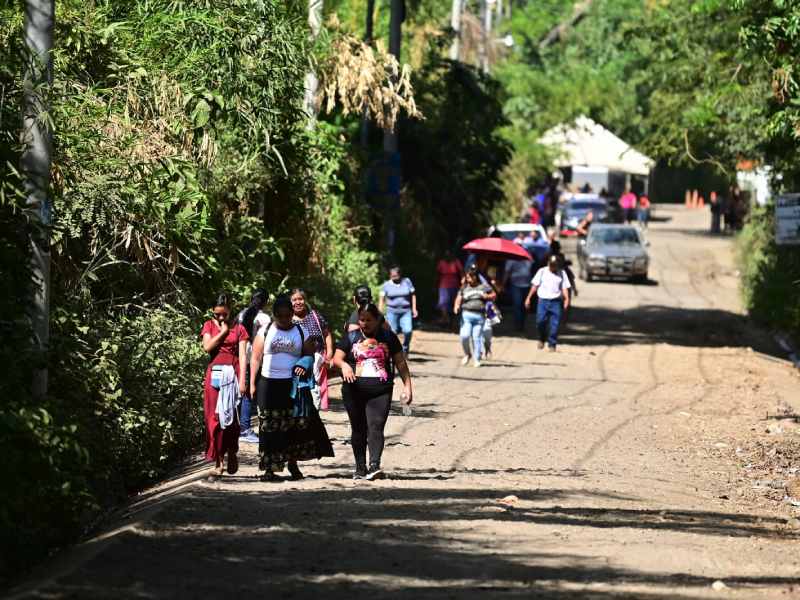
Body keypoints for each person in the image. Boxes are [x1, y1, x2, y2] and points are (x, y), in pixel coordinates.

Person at [249, 295, 327, 482]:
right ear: (274, 315)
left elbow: (310, 355)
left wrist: (303, 363)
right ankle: (270, 468)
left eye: (287, 316)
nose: (284, 320)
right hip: (269, 385)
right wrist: (251, 383)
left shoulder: (301, 332)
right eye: (280, 316)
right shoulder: (265, 332)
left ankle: (293, 464)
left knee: (293, 426)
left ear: (292, 314)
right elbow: (256, 358)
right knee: (269, 427)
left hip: (293, 386)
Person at [333, 303, 413, 480]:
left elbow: (400, 362)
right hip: (354, 390)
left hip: (381, 391)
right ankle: (360, 467)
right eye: (362, 319)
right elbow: (336, 359)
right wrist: (344, 365)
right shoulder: (351, 337)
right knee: (358, 428)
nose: (365, 323)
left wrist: (407, 386)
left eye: (369, 320)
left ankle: (374, 466)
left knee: (376, 426)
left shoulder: (389, 338)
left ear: (378, 320)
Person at [200, 293, 249, 480]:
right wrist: (222, 331)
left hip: (233, 374)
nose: (221, 318)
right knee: (215, 418)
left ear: (230, 311)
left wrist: (242, 380)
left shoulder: (241, 329)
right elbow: (207, 347)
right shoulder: (209, 326)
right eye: (217, 314)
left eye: (225, 314)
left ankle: (231, 451)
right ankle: (218, 462)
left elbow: (243, 355)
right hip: (214, 377)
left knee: (231, 418)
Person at [236, 288, 271, 444]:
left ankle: (239, 427)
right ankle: (245, 429)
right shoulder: (264, 318)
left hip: (239, 357)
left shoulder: (240, 314)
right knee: (250, 393)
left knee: (241, 392)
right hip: (255, 360)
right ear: (266, 302)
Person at [290, 289, 333, 411]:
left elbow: (327, 333)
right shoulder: (287, 320)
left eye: (300, 299)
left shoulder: (314, 316)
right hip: (295, 360)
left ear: (305, 300)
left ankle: (314, 412)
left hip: (316, 359)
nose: (298, 302)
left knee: (314, 387)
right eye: (294, 300)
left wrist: (329, 353)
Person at [524, 255, 571, 352]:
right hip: (543, 301)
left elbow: (564, 287)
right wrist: (528, 298)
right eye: (552, 265)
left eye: (555, 266)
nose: (553, 267)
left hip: (556, 302)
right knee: (540, 322)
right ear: (548, 263)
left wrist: (566, 299)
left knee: (555, 325)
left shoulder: (562, 273)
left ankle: (552, 344)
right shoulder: (542, 271)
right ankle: (542, 337)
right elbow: (535, 286)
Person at [454, 267, 496, 367]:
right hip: (466, 315)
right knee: (464, 336)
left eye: (471, 277)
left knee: (477, 337)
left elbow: (494, 295)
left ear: (476, 277)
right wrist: (456, 306)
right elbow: (459, 297)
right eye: (468, 277)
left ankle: (477, 358)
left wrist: (487, 296)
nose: (469, 279)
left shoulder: (483, 286)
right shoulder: (464, 287)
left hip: (479, 316)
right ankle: (467, 354)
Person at [379, 266, 417, 355]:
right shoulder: (386, 285)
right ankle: (394, 351)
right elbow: (381, 298)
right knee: (393, 332)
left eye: (396, 276)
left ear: (400, 275)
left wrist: (414, 308)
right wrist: (380, 312)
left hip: (406, 311)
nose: (394, 277)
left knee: (408, 330)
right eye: (392, 276)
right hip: (392, 311)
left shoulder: (407, 282)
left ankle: (405, 348)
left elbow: (413, 295)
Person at [502, 257, 532, 332]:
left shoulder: (529, 259)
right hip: (515, 285)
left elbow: (532, 270)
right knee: (517, 305)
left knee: (524, 306)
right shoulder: (511, 259)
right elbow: (507, 272)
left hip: (527, 285)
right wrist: (503, 284)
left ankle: (522, 323)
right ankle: (519, 325)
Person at [435, 250, 464, 327]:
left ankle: (453, 321)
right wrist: (436, 284)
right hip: (443, 285)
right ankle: (445, 318)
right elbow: (437, 273)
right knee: (443, 302)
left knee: (453, 303)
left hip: (454, 284)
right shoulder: (441, 262)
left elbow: (461, 272)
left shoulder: (456, 262)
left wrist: (463, 281)